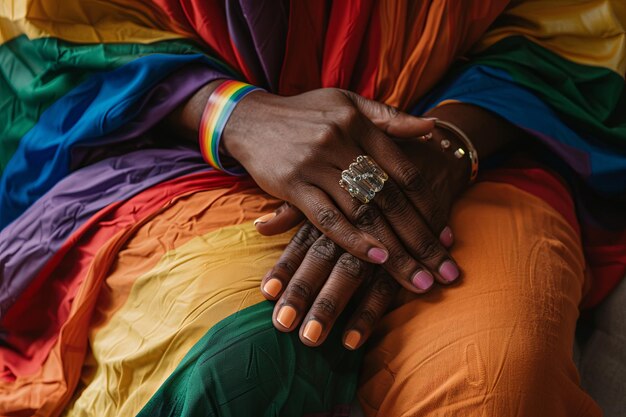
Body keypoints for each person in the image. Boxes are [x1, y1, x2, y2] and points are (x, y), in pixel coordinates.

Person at [0, 0, 624, 416]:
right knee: (238, 368)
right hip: (180, 140)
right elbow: (54, 34)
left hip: (469, 141)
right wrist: (235, 114)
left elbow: (572, 29)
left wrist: (432, 154)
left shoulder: (447, 151)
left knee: (500, 384)